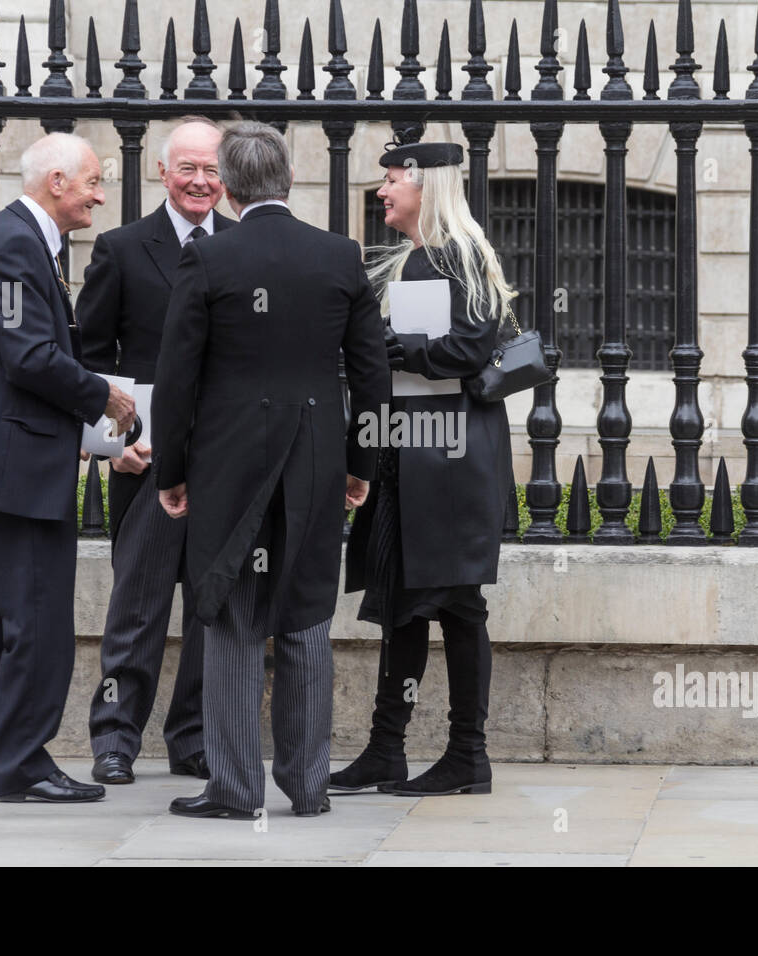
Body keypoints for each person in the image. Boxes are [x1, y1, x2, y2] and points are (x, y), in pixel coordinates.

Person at [151, 121, 389, 819]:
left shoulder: (209, 259)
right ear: (288, 179)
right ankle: (308, 784)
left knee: (227, 616)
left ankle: (233, 787)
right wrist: (360, 463)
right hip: (315, 463)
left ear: (226, 185)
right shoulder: (340, 257)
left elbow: (177, 377)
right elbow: (371, 377)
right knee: (308, 616)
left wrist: (170, 471)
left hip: (227, 467)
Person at [0, 133, 136, 803]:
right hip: (17, 470)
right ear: (56, 181)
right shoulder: (16, 243)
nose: (99, 196)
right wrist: (99, 396)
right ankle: (20, 765)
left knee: (7, 615)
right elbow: (28, 357)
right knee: (37, 621)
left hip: (6, 460)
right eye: (91, 184)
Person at [331, 137, 517, 797]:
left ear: (423, 186)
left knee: (459, 606)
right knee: (405, 605)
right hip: (410, 451)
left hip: (450, 458)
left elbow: (469, 345)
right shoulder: (415, 257)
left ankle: (469, 755)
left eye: (391, 181)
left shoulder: (455, 252)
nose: (382, 191)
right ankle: (387, 749)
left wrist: (383, 345)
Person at [78, 118, 237, 786]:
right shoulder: (119, 248)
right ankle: (114, 738)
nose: (200, 181)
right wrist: (114, 445)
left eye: (211, 171)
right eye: (188, 169)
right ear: (163, 172)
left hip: (223, 466)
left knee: (212, 610)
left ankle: (193, 740)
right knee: (135, 613)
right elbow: (87, 359)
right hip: (143, 465)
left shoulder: (244, 245)